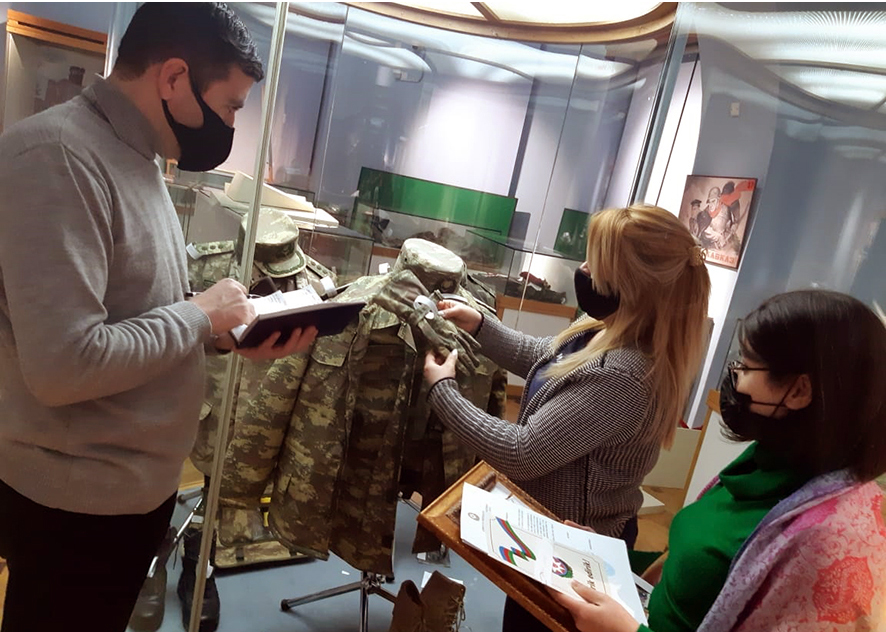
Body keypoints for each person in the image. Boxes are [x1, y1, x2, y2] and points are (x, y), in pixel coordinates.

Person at [0, 4, 316, 632]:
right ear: (173, 78)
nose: (230, 125)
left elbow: (135, 311)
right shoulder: (57, 156)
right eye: (230, 106)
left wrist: (223, 334)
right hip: (72, 507)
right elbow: (65, 364)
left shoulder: (137, 154)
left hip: (127, 493)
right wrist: (199, 316)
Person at [423, 204, 711, 632]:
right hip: (550, 530)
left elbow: (522, 452)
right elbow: (546, 359)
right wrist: (481, 326)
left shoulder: (624, 375)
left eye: (597, 263)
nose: (583, 269)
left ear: (631, 284)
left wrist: (442, 391)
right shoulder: (603, 327)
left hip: (576, 550)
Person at [550, 289, 886, 632]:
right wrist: (605, 559)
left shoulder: (826, 541)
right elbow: (694, 579)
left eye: (747, 366)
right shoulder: (765, 463)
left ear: (799, 391)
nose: (734, 376)